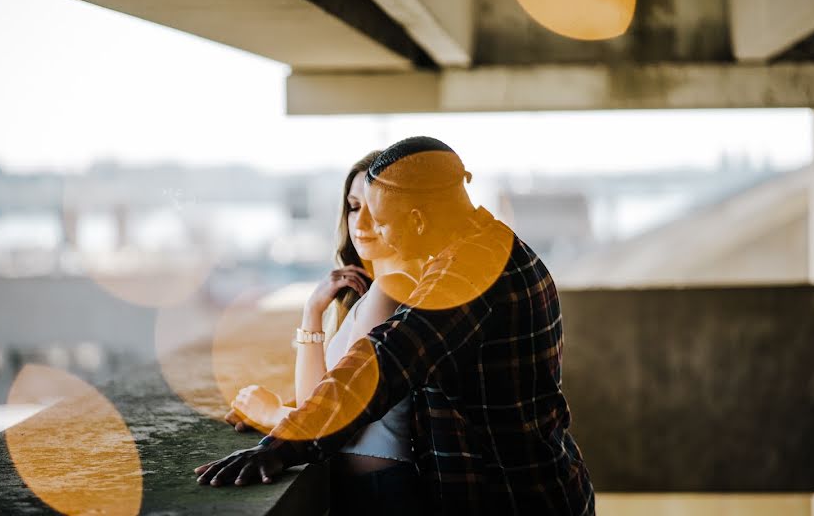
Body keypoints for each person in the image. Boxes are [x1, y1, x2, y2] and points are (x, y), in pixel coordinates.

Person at [196, 137, 595, 515]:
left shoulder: (467, 277)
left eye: (383, 220)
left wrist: (281, 446)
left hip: (513, 498)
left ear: (418, 220)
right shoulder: (497, 245)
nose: (373, 230)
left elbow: (382, 362)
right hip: (543, 484)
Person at [224, 150, 425, 515]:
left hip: (381, 494)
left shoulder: (392, 289)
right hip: (367, 488)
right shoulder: (378, 291)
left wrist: (270, 415)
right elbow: (313, 404)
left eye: (374, 206)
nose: (360, 222)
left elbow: (342, 423)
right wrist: (312, 312)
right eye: (352, 206)